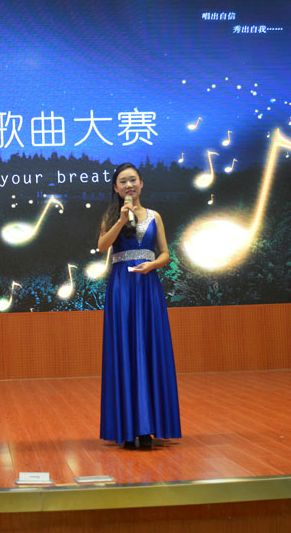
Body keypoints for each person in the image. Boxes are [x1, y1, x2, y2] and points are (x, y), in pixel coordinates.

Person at [97, 163, 181, 449]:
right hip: (122, 288)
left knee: (148, 348)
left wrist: (152, 265)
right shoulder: (112, 216)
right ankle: (127, 427)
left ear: (141, 183)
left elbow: (165, 254)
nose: (128, 185)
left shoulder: (155, 216)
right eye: (123, 182)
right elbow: (102, 246)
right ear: (116, 188)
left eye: (133, 180)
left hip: (147, 288)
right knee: (125, 349)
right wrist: (122, 220)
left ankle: (148, 427)